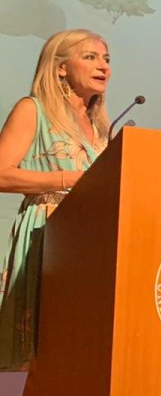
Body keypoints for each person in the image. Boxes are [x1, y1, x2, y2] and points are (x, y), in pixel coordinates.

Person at [0, 29, 110, 370]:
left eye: (106, 59)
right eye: (90, 57)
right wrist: (66, 179)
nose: (103, 66)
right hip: (46, 234)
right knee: (39, 349)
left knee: (77, 347)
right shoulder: (33, 110)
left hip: (89, 243)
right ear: (60, 68)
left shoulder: (100, 126)